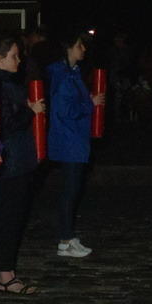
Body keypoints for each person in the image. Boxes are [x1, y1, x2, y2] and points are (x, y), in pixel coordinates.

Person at [0, 36, 45, 294]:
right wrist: (30, 110)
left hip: (19, 160)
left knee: (12, 218)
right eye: (14, 56)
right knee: (7, 219)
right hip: (9, 163)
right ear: (0, 58)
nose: (18, 60)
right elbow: (3, 123)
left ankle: (6, 271)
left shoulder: (8, 82)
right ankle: (5, 275)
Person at [46, 30, 101, 258]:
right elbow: (65, 109)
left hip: (76, 138)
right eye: (79, 45)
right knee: (70, 190)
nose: (83, 50)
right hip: (69, 139)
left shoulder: (73, 73)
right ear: (68, 48)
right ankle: (64, 240)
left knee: (74, 189)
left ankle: (68, 235)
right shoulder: (62, 74)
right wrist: (91, 104)